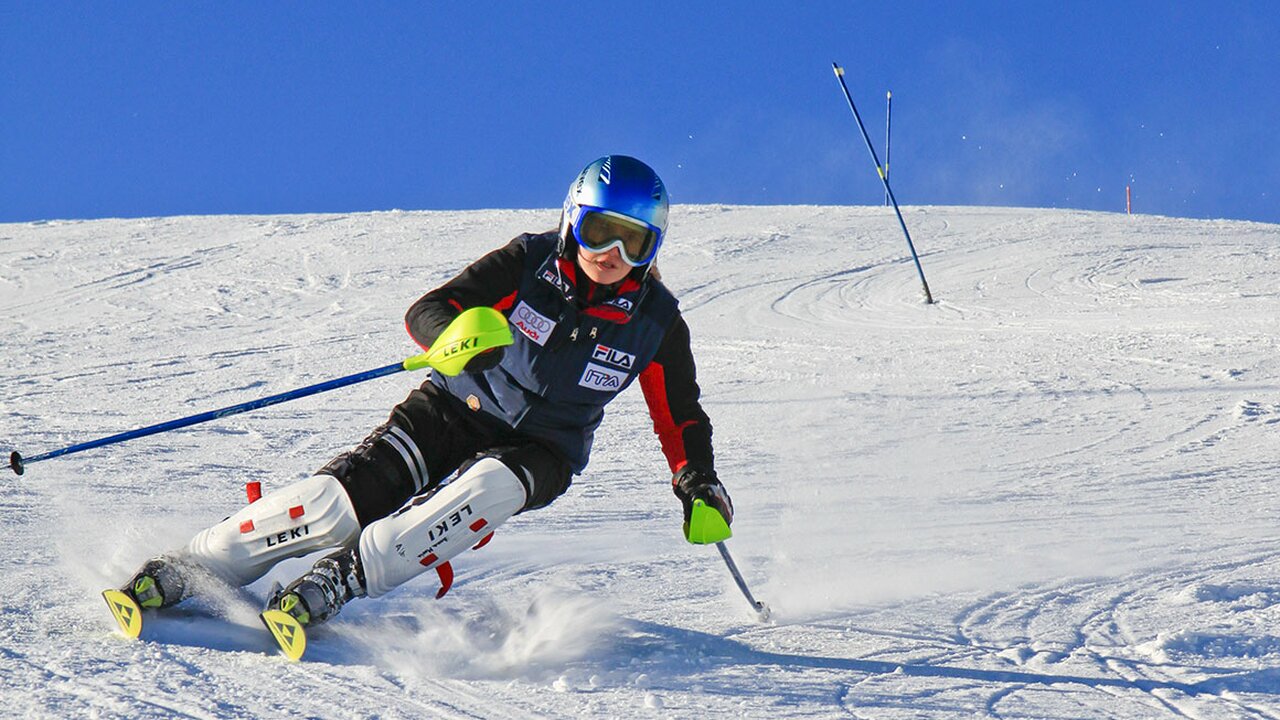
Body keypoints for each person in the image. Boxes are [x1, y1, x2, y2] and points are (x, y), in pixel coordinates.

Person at [118, 155, 734, 629]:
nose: (612, 254)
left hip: (544, 449)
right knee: (340, 503)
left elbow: (680, 414)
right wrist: (454, 336)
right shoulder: (528, 262)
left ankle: (341, 580)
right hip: (453, 406)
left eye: (634, 241)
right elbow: (431, 309)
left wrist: (697, 481)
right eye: (600, 231)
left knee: (484, 491)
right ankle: (195, 564)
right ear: (574, 220)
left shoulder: (656, 322)